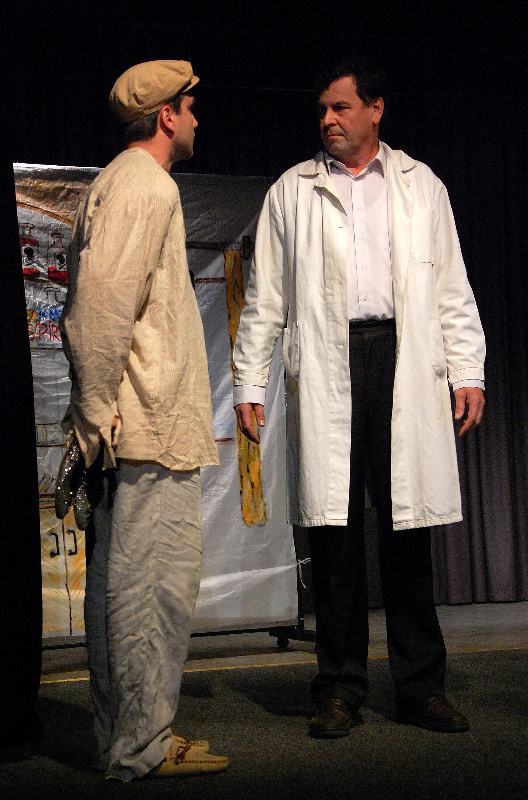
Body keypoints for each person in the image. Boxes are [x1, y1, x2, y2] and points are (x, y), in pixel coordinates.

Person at [233, 59, 485, 739]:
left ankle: (420, 687)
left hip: (405, 359)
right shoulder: (292, 190)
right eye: (323, 109)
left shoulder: (420, 185)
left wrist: (468, 371)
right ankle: (339, 688)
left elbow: (451, 286)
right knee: (334, 534)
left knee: (408, 531)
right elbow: (265, 299)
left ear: (376, 109)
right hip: (328, 360)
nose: (328, 120)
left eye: (341, 107)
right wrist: (250, 383)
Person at [60, 60, 228, 779]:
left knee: (125, 591)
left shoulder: (120, 183)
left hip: (134, 425)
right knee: (149, 594)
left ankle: (127, 740)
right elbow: (100, 311)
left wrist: (98, 415)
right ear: (166, 115)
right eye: (189, 107)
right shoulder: (144, 186)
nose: (195, 119)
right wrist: (97, 414)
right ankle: (141, 748)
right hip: (144, 427)